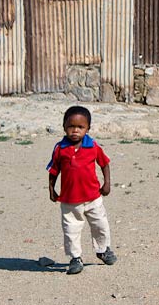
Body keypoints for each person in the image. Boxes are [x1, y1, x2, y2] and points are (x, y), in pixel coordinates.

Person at [47, 106, 117, 274]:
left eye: (80, 127)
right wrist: (51, 189)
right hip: (70, 201)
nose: (75, 131)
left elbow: (104, 163)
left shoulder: (93, 146)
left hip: (93, 197)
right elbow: (53, 171)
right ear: (64, 127)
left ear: (88, 128)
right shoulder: (60, 149)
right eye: (71, 126)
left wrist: (107, 183)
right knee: (71, 230)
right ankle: (75, 258)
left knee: (100, 225)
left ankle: (102, 250)